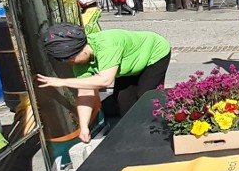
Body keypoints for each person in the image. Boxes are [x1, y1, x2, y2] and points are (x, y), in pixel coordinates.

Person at [37, 24, 171, 142]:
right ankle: (136, 136)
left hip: (154, 54)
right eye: (66, 61)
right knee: (124, 102)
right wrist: (84, 128)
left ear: (81, 48)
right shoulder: (80, 65)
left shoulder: (107, 45)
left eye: (72, 58)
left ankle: (157, 133)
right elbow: (85, 93)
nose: (71, 63)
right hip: (127, 67)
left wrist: (62, 82)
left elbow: (105, 80)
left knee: (146, 97)